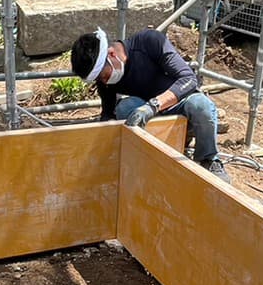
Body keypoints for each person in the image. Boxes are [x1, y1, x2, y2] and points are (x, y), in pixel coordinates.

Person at [69, 27, 226, 178]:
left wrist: (154, 105)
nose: (103, 81)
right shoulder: (106, 79)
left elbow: (188, 79)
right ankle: (150, 155)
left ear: (111, 54)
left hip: (181, 104)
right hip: (151, 113)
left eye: (103, 76)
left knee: (201, 106)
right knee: (124, 109)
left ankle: (208, 159)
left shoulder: (149, 41)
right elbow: (108, 115)